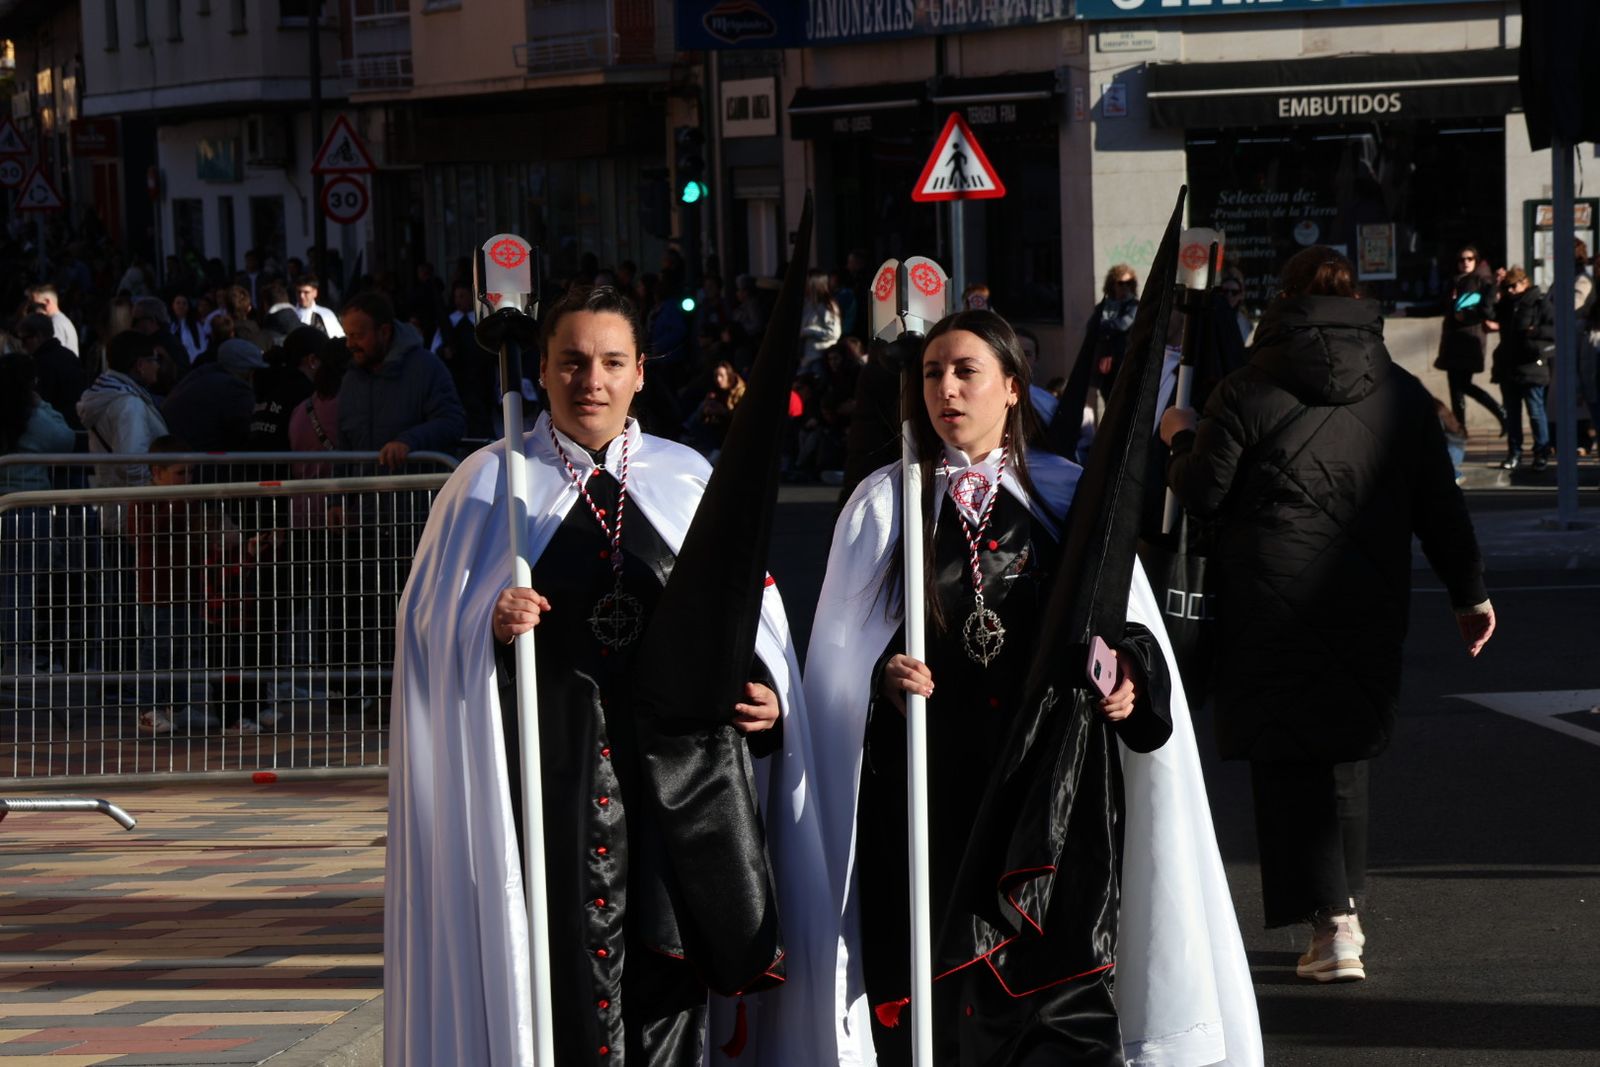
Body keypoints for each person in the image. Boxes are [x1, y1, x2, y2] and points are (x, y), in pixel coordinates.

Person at [808, 308, 1257, 1064]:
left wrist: (1128, 677)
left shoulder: (1067, 494)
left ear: (1013, 387)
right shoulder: (885, 505)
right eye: (932, 374)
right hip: (935, 789)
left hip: (1053, 787)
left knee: (1061, 995)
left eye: (967, 371)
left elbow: (1128, 627)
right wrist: (882, 675)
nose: (947, 389)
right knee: (948, 995)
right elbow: (837, 663)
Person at [384, 284, 809, 1065]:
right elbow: (427, 630)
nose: (592, 381)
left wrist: (766, 696)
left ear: (641, 371)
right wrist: (484, 624)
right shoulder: (489, 484)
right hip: (549, 786)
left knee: (670, 978)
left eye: (612, 362)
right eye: (572, 362)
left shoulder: (686, 479)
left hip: (674, 788)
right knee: (562, 982)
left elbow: (747, 620)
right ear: (542, 370)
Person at [1160, 245, 1494, 985]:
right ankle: (1343, 916)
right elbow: (1440, 507)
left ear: (1283, 302)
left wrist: (1178, 434)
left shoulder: (1246, 388)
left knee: (1287, 760)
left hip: (1266, 596)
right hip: (1365, 594)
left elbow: (1204, 492)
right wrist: (1469, 593)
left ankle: (1329, 923)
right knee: (1343, 753)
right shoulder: (1401, 392)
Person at [0, 353, 76, 675]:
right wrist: (41, 403)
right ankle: (15, 658)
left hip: (8, 507)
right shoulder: (34, 416)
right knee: (21, 588)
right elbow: (64, 439)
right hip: (29, 509)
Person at [336, 291, 465, 466]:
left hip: (418, 482)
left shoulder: (426, 368)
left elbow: (452, 422)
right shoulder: (351, 379)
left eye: (358, 336)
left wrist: (409, 442)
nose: (350, 344)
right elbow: (344, 445)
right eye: (347, 335)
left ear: (384, 332)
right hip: (364, 483)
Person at [78, 331, 170, 492]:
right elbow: (133, 464)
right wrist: (158, 485)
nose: (157, 366)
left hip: (116, 496)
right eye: (155, 359)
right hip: (136, 500)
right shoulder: (129, 404)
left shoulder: (111, 396)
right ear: (140, 365)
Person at [1434, 245, 1506, 434]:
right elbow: (1444, 306)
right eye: (1461, 259)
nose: (1465, 263)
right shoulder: (1456, 281)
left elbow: (1487, 308)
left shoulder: (1481, 279)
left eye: (1469, 259)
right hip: (1453, 341)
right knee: (1456, 388)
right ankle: (1460, 429)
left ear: (1476, 260)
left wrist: (1465, 316)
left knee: (1462, 385)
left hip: (1468, 340)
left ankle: (1499, 413)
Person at [1491, 266, 1553, 471]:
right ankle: (1514, 452)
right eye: (1507, 287)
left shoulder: (1539, 302)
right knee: (1513, 414)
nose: (1510, 290)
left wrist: (1535, 332)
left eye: (1513, 286)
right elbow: (1487, 311)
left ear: (1525, 282)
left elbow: (1554, 328)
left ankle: (1541, 452)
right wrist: (1494, 287)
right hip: (1509, 366)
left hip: (1532, 365)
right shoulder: (1506, 304)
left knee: (1536, 412)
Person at [161, 338, 267, 452]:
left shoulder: (200, 376)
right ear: (249, 371)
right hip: (201, 455)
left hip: (174, 449)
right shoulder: (235, 389)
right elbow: (246, 430)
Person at [15, 312, 87, 431]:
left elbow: (42, 400)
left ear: (38, 336)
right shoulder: (69, 356)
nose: (22, 345)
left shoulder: (40, 364)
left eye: (24, 339)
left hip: (55, 426)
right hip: (76, 424)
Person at [1092, 264, 1139, 392]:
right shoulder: (1103, 306)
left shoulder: (1134, 305)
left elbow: (1123, 324)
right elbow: (1092, 327)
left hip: (1124, 360)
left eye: (1129, 283)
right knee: (1106, 392)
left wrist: (1106, 325)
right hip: (1105, 360)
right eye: (1121, 283)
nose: (1125, 287)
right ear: (1113, 284)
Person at [799, 270, 842, 376]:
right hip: (806, 358)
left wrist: (809, 331)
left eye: (807, 281)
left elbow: (833, 333)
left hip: (820, 357)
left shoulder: (827, 305)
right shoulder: (808, 303)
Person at [28, 284, 79, 355]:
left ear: (47, 302)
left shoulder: (55, 323)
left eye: (35, 304)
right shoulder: (59, 321)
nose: (33, 309)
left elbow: (54, 353)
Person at [169, 292, 207, 365]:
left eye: (184, 303)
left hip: (194, 363)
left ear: (188, 307)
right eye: (178, 303)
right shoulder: (169, 326)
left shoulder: (196, 325)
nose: (181, 306)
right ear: (173, 306)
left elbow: (203, 345)